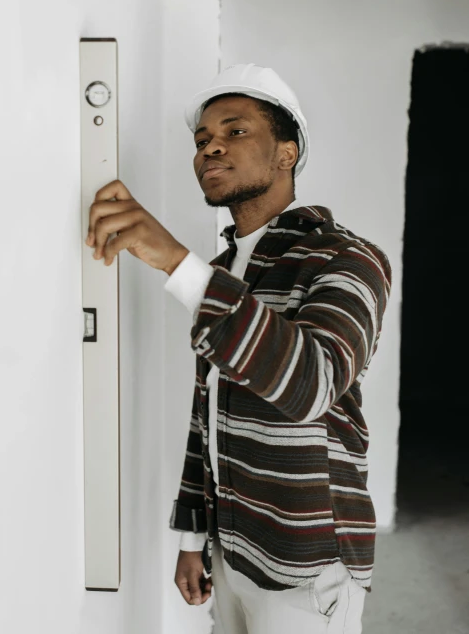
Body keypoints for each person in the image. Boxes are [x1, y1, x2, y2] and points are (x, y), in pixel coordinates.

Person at [85, 64, 392, 633]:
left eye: (235, 131)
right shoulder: (225, 270)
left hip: (308, 561)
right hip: (232, 551)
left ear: (286, 153)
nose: (211, 148)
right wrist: (192, 535)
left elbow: (311, 383)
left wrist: (176, 261)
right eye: (202, 140)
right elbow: (208, 415)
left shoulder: (350, 259)